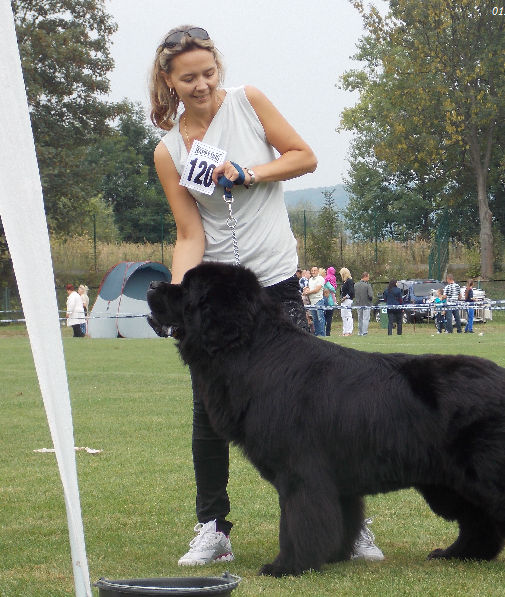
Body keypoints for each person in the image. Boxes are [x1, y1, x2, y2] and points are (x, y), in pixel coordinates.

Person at [147, 26, 381, 565]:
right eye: (189, 78)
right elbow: (189, 234)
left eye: (209, 72)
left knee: (318, 406)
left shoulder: (249, 104)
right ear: (168, 82)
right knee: (209, 413)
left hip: (275, 284)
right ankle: (212, 527)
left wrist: (247, 172)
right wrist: (183, 301)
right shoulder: (169, 151)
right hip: (217, 303)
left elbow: (304, 156)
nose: (203, 85)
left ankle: (349, 525)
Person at [304, 266, 326, 337]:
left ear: (317, 271)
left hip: (318, 300)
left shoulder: (320, 279)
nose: (313, 272)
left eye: (314, 270)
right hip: (312, 301)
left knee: (320, 318)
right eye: (312, 270)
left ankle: (322, 334)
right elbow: (309, 289)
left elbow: (317, 290)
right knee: (315, 319)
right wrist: (305, 291)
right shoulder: (310, 280)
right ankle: (317, 334)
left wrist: (308, 293)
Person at [353, 271, 374, 336]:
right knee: (366, 318)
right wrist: (371, 300)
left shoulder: (355, 285)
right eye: (368, 277)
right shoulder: (367, 285)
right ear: (365, 277)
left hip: (358, 304)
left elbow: (354, 294)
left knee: (360, 318)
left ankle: (360, 332)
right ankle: (364, 332)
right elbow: (370, 295)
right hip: (366, 304)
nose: (368, 279)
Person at [338, 267, 355, 336]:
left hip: (348, 300)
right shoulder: (344, 282)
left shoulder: (349, 281)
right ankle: (344, 331)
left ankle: (349, 331)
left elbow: (351, 291)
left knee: (348, 315)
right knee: (343, 316)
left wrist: (345, 297)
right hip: (343, 301)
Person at [322, 267, 337, 336]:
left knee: (323, 317)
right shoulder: (327, 281)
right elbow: (332, 288)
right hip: (329, 301)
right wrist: (334, 290)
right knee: (329, 318)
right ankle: (327, 332)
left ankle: (322, 330)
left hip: (322, 300)